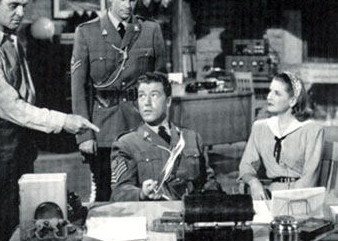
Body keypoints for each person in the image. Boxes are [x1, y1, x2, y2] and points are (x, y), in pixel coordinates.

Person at [0, 0, 99, 241]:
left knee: (18, 218)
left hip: (15, 136)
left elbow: (25, 94)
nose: (21, 13)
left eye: (24, 5)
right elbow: (11, 106)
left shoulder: (10, 39)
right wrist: (64, 121)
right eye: (14, 5)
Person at [71, 0, 166, 201]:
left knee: (145, 192)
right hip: (103, 128)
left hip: (140, 125)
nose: (128, 5)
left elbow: (161, 85)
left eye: (133, 0)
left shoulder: (151, 31)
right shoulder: (87, 32)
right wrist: (84, 136)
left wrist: (161, 127)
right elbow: (78, 88)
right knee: (105, 194)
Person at [110, 72, 221, 201]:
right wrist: (142, 193)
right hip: (152, 214)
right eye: (141, 96)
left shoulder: (191, 138)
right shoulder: (127, 143)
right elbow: (119, 192)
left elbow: (209, 182)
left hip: (190, 213)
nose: (147, 102)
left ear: (168, 101)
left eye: (154, 95)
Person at [239, 72, 324, 200]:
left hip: (301, 198)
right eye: (270, 91)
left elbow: (309, 179)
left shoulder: (312, 130)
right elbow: (246, 166)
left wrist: (283, 199)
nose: (269, 97)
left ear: (292, 101)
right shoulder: (260, 127)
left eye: (277, 93)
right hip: (268, 196)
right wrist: (254, 182)